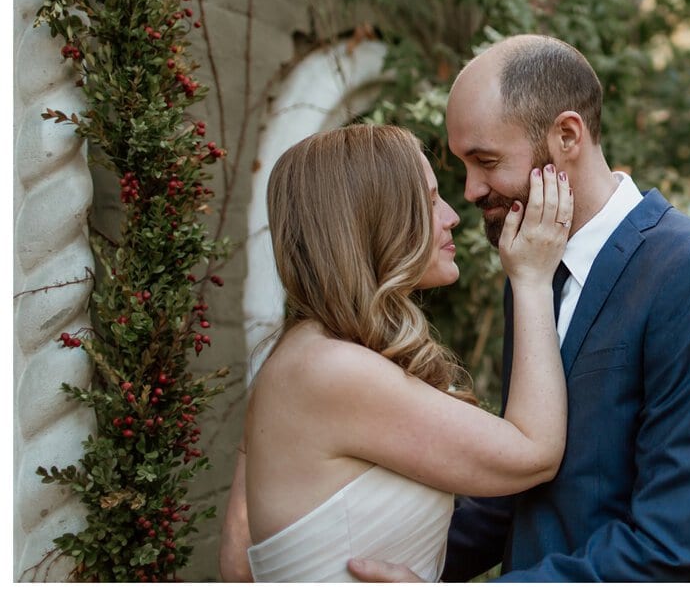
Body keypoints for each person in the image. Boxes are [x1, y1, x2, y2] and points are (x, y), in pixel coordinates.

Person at [348, 34, 690, 582]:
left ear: (567, 135)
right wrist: (392, 571)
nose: (471, 190)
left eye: (487, 161)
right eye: (464, 165)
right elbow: (520, 485)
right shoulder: (531, 271)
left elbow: (672, 544)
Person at [217, 123, 574, 582]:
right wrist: (531, 277)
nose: (451, 216)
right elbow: (535, 454)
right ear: (374, 218)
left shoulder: (301, 358)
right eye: (428, 200)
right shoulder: (332, 369)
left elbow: (237, 561)